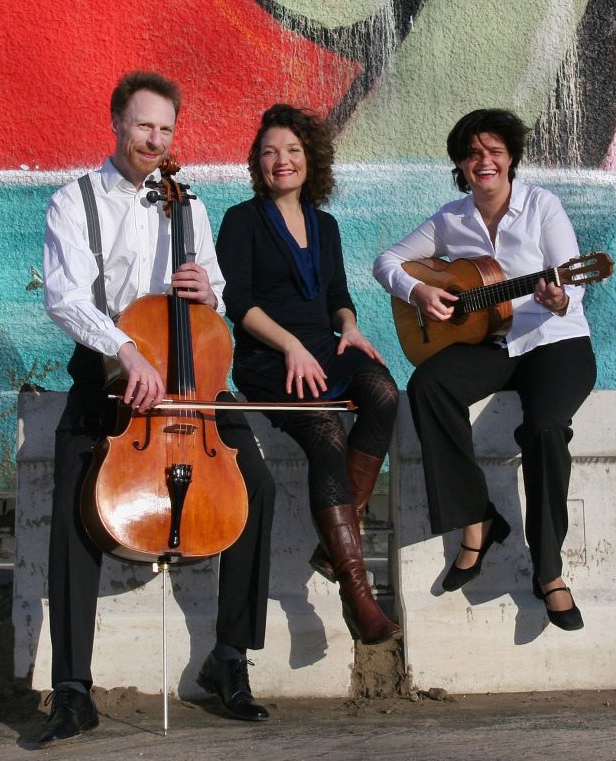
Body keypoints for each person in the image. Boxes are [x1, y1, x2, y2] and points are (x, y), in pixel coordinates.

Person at [39, 71, 276, 746]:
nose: (156, 139)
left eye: (166, 128)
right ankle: (72, 688)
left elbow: (219, 298)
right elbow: (65, 297)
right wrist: (125, 347)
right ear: (116, 121)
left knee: (256, 483)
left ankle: (229, 659)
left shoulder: (188, 203)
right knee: (72, 499)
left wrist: (208, 290)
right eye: (144, 125)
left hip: (191, 371)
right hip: (112, 369)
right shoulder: (75, 201)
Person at [374, 108, 596, 632]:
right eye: (474, 153)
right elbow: (385, 262)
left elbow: (574, 281)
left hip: (554, 340)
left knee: (544, 429)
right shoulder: (451, 219)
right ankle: (477, 521)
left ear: (511, 157)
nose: (485, 161)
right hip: (495, 345)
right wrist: (420, 290)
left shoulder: (543, 206)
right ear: (461, 164)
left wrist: (559, 296)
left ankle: (549, 571)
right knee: (429, 384)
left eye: (494, 151)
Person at [216, 103, 401, 646]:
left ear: (310, 159)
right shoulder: (242, 221)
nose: (282, 161)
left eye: (293, 151)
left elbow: (339, 298)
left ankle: (332, 545)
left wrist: (350, 329)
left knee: (384, 393)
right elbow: (238, 301)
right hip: (268, 357)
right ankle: (357, 592)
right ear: (258, 161)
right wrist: (291, 346)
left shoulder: (326, 225)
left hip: (325, 346)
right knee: (325, 435)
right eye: (270, 152)